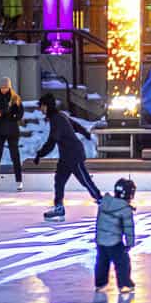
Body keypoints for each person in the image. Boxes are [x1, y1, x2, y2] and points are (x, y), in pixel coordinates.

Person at [33, 93, 101, 222]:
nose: (40, 109)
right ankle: (59, 207)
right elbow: (74, 125)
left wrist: (39, 154)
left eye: (41, 106)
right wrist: (84, 132)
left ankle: (101, 200)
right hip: (66, 156)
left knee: (85, 180)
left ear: (46, 106)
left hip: (73, 154)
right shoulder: (59, 116)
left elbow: (52, 141)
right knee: (59, 181)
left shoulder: (57, 119)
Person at [94, 178, 137, 297]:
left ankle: (100, 283)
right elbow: (128, 227)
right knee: (122, 262)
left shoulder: (104, 202)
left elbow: (100, 221)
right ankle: (124, 284)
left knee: (102, 262)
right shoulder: (125, 209)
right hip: (114, 242)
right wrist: (129, 243)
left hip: (101, 240)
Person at [0, 77, 24, 191]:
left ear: (9, 87)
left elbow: (20, 114)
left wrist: (13, 116)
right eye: (2, 87)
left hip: (12, 131)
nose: (4, 89)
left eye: (6, 87)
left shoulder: (15, 99)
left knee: (15, 156)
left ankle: (19, 181)